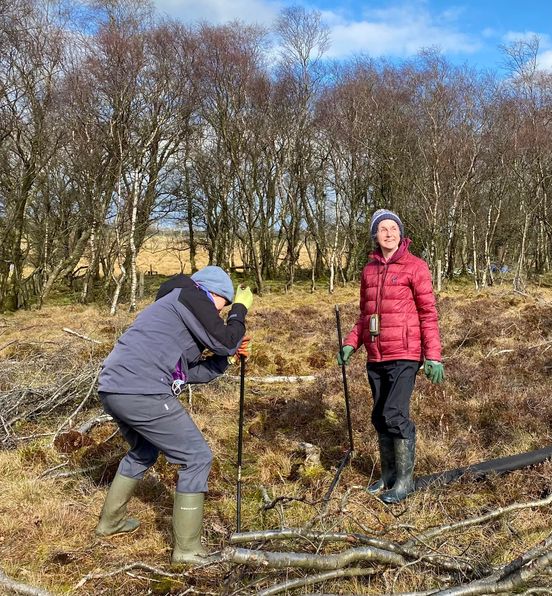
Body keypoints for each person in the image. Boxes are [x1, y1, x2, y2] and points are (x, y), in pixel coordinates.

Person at [95, 265, 253, 564]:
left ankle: (110, 523)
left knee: (143, 450)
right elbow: (226, 338)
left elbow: (189, 372)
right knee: (197, 457)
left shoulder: (169, 311)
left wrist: (227, 359)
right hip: (141, 389)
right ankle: (188, 550)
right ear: (213, 292)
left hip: (114, 388)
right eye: (224, 304)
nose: (221, 313)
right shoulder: (191, 297)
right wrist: (240, 311)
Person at [337, 209, 444, 504]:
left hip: (405, 353)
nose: (389, 233)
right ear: (375, 235)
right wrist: (351, 343)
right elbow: (364, 315)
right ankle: (388, 475)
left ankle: (405, 482)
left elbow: (428, 313)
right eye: (382, 229)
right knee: (379, 416)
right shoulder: (369, 270)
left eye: (393, 228)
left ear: (400, 233)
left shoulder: (415, 267)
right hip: (376, 355)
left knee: (394, 415)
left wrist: (433, 356)